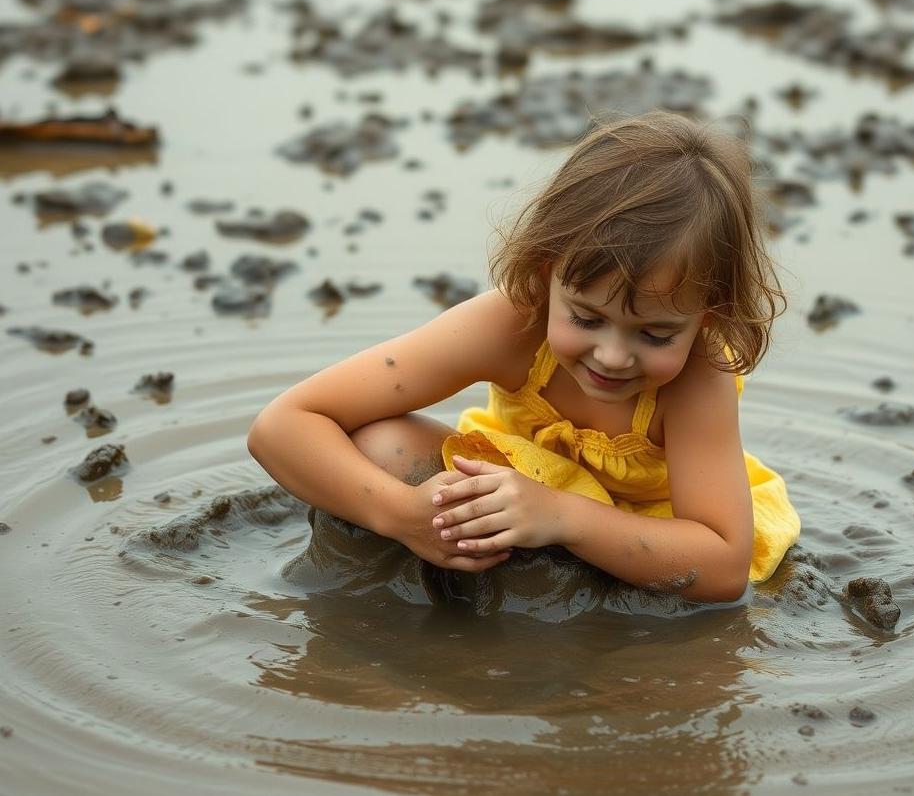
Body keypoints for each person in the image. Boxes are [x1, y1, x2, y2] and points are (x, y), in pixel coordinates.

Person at [248, 111, 800, 604]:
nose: (612, 356)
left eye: (655, 335)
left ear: (710, 315)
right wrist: (401, 516)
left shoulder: (699, 375)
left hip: (650, 530)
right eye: (586, 319)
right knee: (382, 445)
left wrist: (563, 517)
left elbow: (723, 567)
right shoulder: (511, 323)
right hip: (518, 487)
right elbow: (281, 426)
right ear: (545, 271)